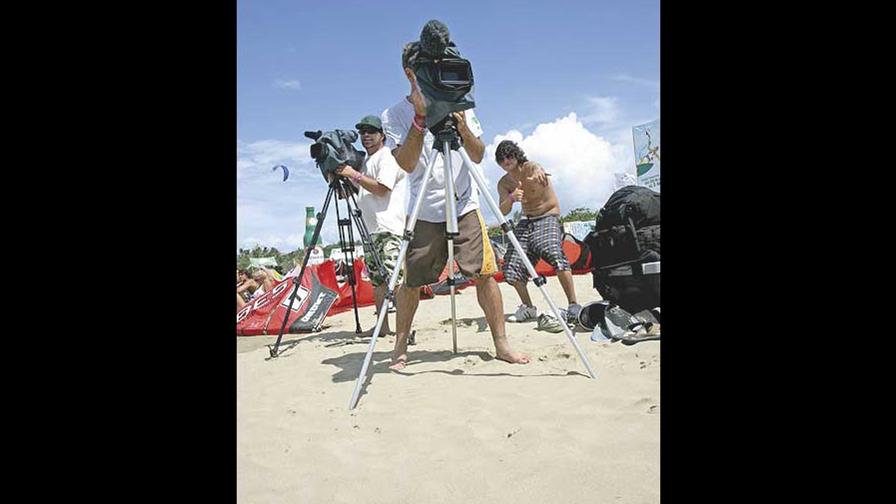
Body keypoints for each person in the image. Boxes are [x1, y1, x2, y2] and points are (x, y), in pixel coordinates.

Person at [379, 40, 530, 370]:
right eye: (425, 67)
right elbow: (405, 163)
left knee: (486, 273)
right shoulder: (392, 115)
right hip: (423, 208)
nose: (434, 71)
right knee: (413, 281)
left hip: (464, 203)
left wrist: (459, 121)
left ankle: (501, 343)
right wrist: (420, 118)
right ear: (410, 73)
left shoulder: (462, 102)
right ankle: (401, 344)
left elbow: (476, 154)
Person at [495, 139, 582, 332]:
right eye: (502, 158)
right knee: (511, 266)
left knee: (554, 253)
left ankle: (573, 304)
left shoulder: (530, 167)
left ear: (516, 155)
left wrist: (539, 174)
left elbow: (537, 169)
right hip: (527, 220)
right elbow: (502, 211)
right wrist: (511, 198)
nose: (506, 160)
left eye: (509, 155)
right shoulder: (504, 183)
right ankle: (528, 307)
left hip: (548, 215)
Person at [334, 115, 407, 336]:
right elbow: (358, 192)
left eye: (371, 132)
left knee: (396, 280)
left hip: (388, 228)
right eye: (363, 132)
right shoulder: (366, 162)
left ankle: (404, 329)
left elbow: (382, 189)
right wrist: (337, 177)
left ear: (382, 135)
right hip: (370, 230)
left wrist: (353, 174)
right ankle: (382, 327)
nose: (366, 135)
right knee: (378, 282)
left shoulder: (387, 157)